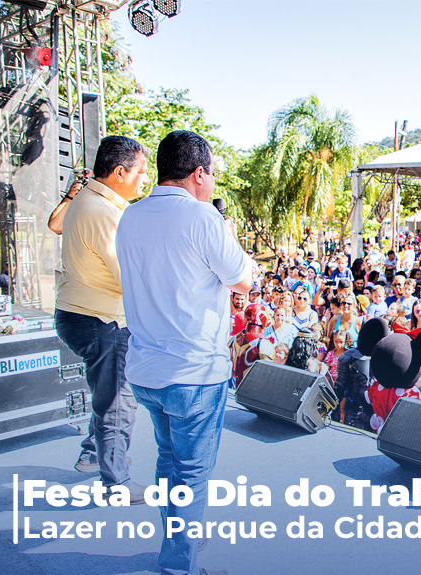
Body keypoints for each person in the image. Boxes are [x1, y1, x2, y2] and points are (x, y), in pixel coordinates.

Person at [116, 130, 255, 575]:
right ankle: (179, 563)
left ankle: (181, 536)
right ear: (198, 173)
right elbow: (243, 278)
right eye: (211, 175)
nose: (211, 184)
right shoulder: (203, 217)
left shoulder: (130, 216)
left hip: (146, 369)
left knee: (168, 459)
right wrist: (229, 235)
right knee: (192, 472)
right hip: (193, 373)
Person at [54, 135, 149, 493]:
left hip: (81, 313)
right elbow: (130, 278)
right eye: (141, 172)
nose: (145, 179)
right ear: (120, 172)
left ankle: (94, 454)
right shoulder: (104, 213)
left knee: (106, 393)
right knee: (117, 403)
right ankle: (116, 483)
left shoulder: (87, 199)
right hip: (101, 320)